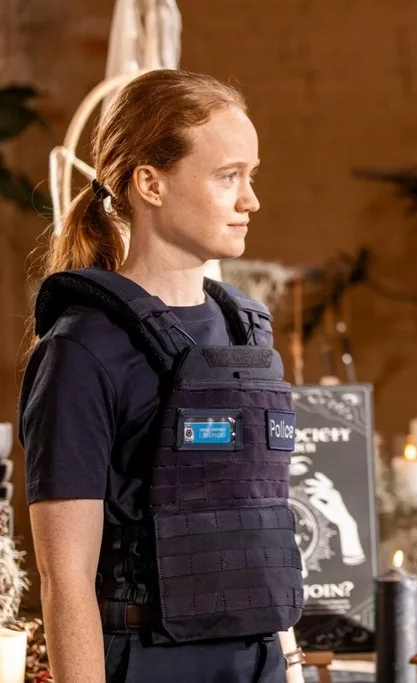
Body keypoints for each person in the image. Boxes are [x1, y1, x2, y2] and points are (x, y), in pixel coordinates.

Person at [19, 69, 306, 683]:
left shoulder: (246, 334)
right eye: (228, 176)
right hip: (148, 663)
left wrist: (290, 659)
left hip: (261, 662)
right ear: (150, 183)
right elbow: (63, 578)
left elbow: (259, 522)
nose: (250, 200)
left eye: (251, 176)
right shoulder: (81, 350)